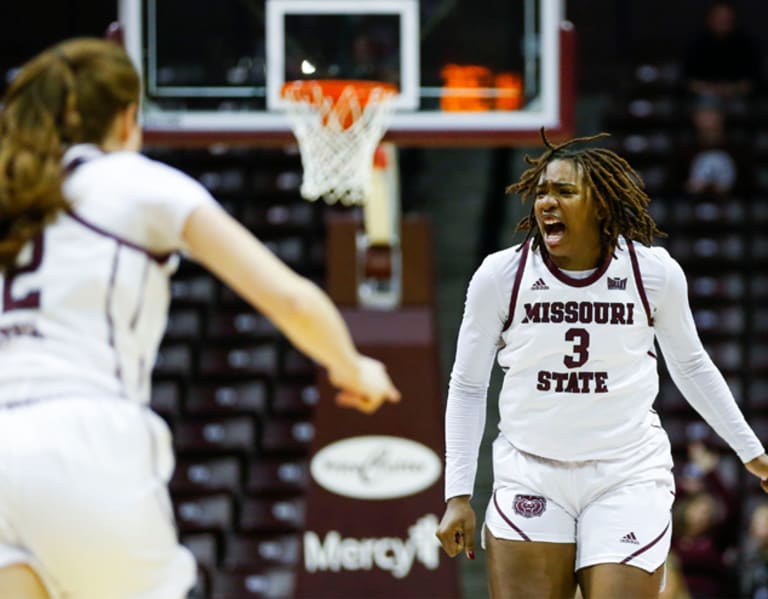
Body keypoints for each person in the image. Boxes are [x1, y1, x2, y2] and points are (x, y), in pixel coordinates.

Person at [0, 38, 400, 599]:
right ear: (124, 118)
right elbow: (289, 298)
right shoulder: (130, 180)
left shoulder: (13, 202)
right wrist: (353, 367)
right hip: (80, 432)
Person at [435, 129, 768, 598]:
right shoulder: (501, 276)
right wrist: (458, 494)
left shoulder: (652, 273)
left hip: (626, 475)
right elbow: (469, 386)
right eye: (542, 191)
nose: (546, 202)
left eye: (564, 191)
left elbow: (691, 366)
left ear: (601, 205)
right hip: (530, 471)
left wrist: (751, 451)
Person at [681, 1, 762, 103]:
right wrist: (710, 89)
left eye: (726, 18)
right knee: (707, 104)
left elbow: (754, 80)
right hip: (704, 95)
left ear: (733, 19)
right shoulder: (696, 44)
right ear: (709, 19)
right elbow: (687, 80)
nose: (722, 21)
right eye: (718, 17)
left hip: (739, 96)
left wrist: (732, 89)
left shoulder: (747, 44)